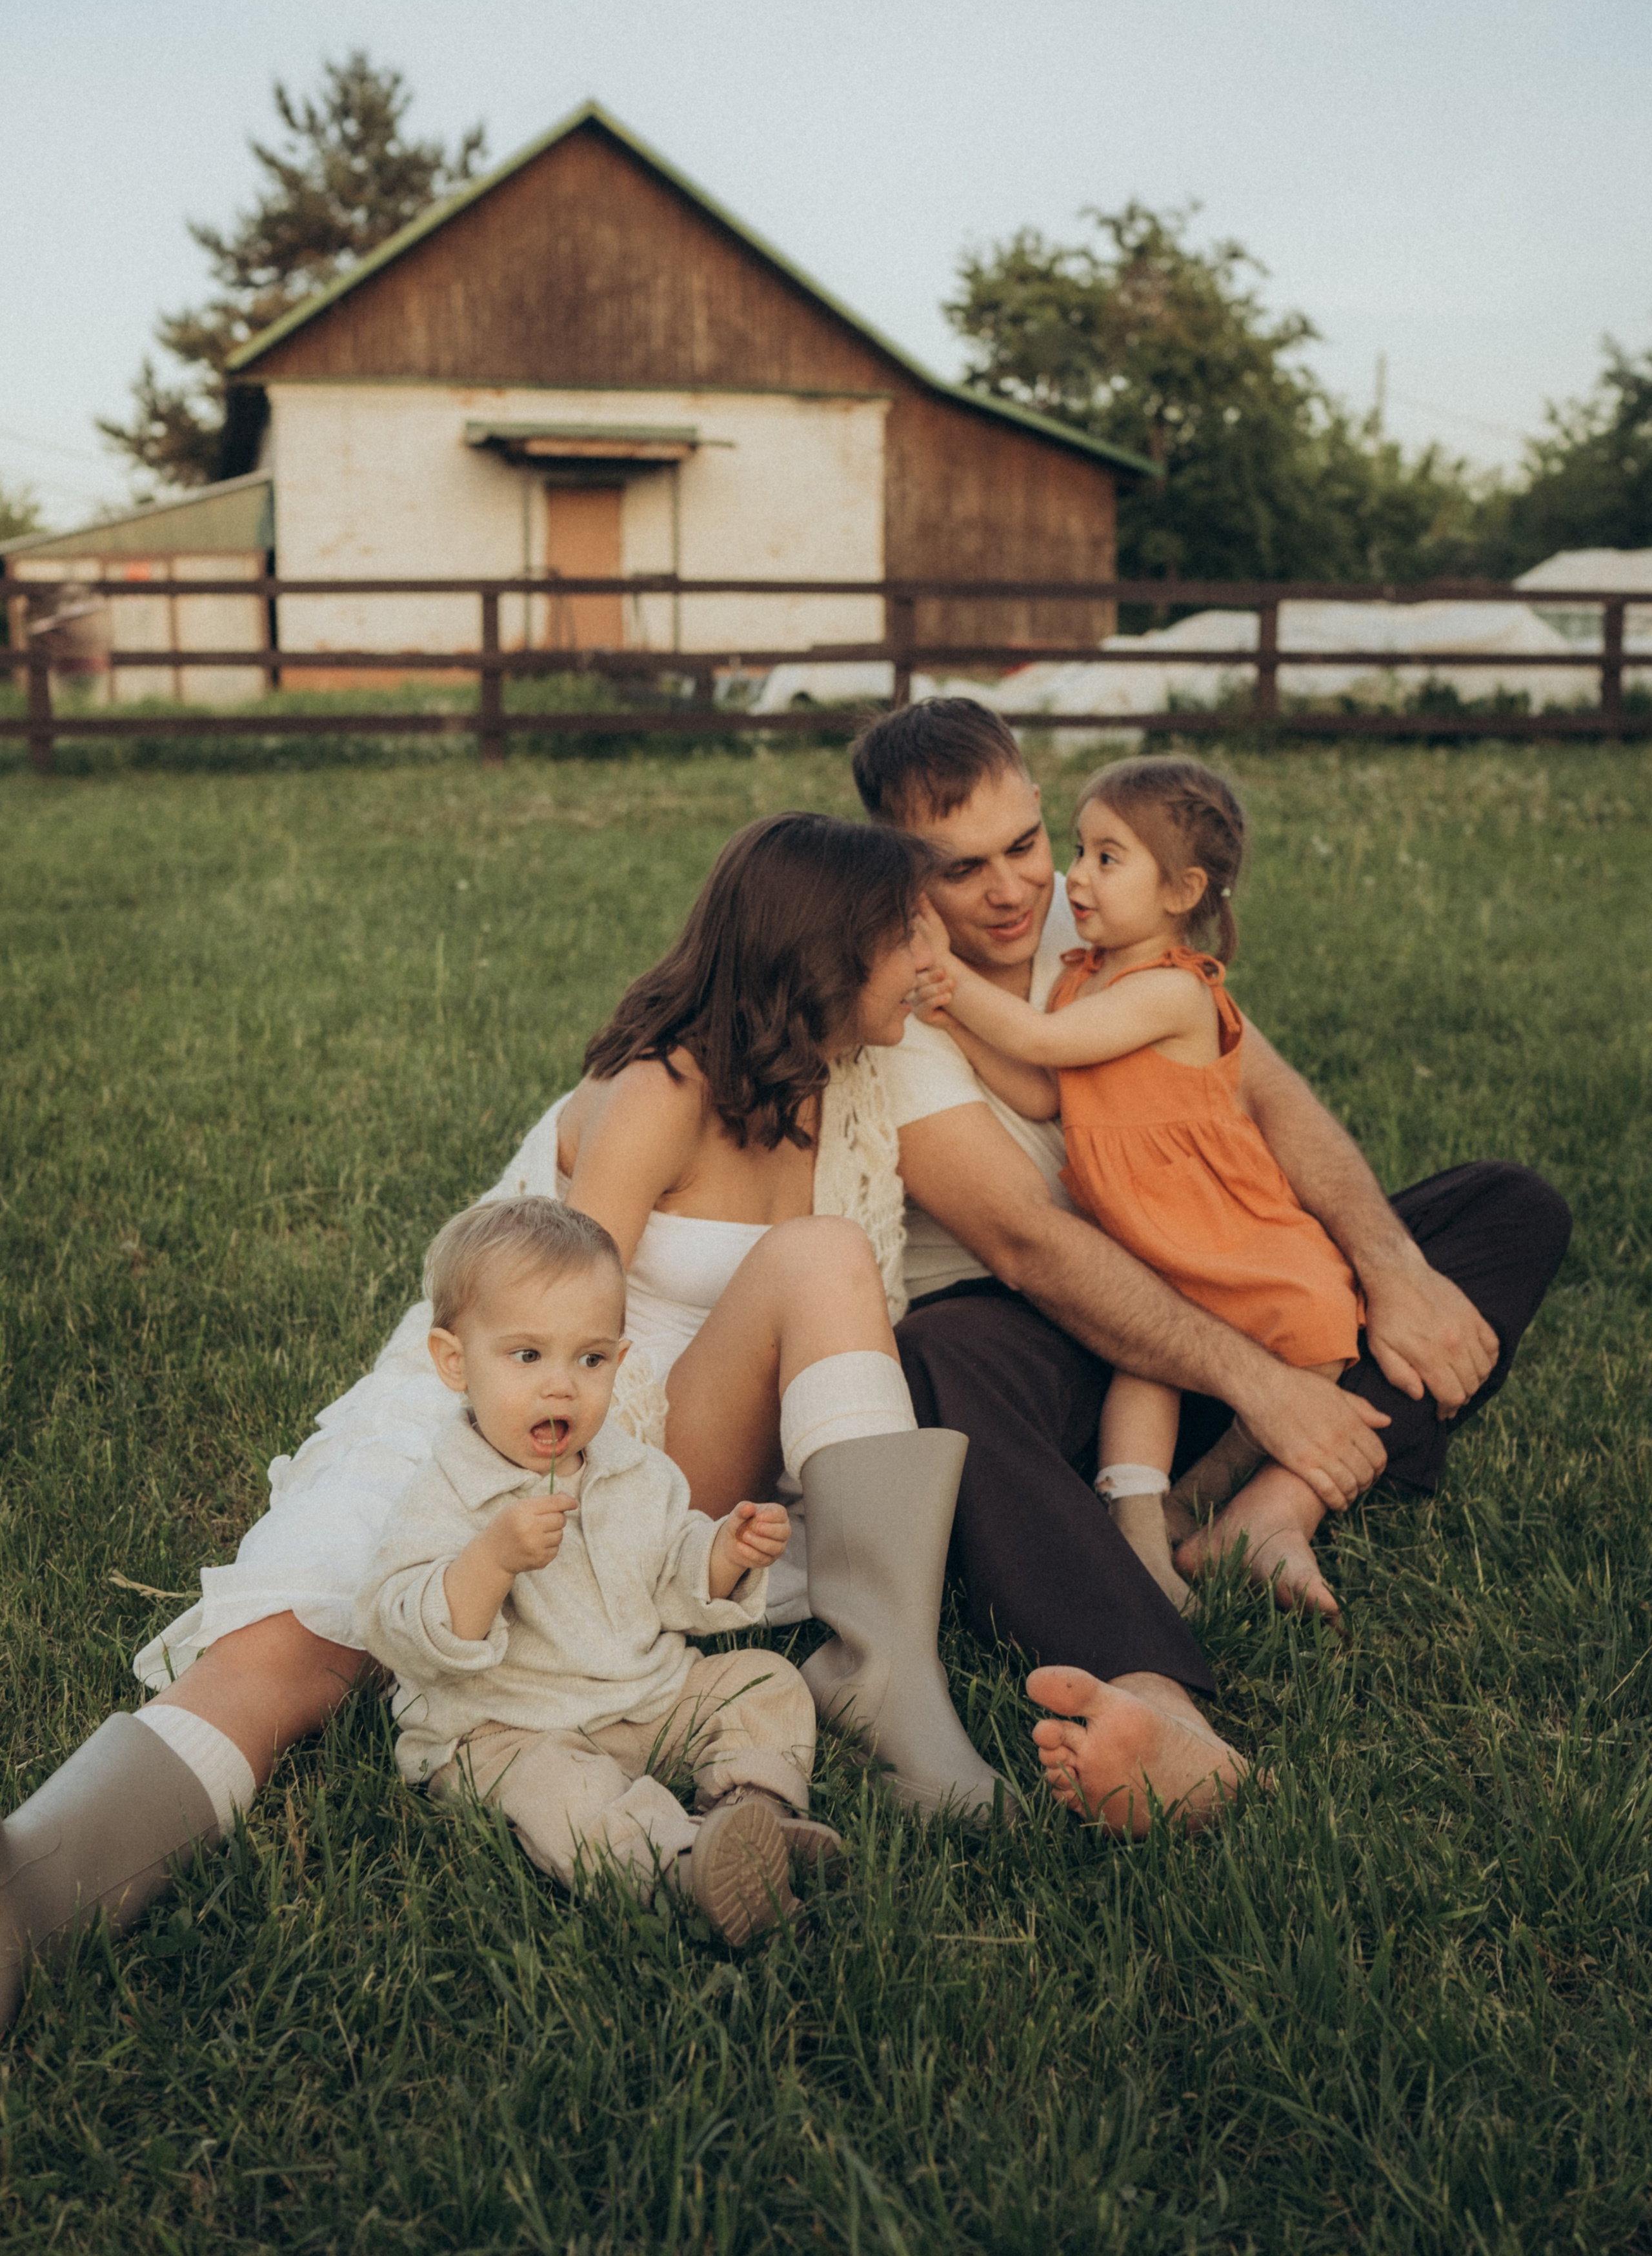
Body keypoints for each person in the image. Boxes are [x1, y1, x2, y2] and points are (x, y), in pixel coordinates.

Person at [0, 812, 1007, 2028]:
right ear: (828, 955)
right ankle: (35, 1883)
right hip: (543, 1404)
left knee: (824, 1251)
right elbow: (552, 1315)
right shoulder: (664, 1090)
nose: (936, 956)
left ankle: (885, 1674)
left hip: (674, 1454)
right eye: (909, 935)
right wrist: (550, 1493)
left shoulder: (841, 1097)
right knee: (312, 1630)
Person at [854, 700, 1571, 1828]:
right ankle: (1154, 1694)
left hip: (1206, 1285)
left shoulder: (1100, 911)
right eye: (961, 870)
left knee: (1504, 1209)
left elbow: (1260, 1086)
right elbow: (1032, 1247)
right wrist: (1258, 1380)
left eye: (1026, 848)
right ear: (900, 874)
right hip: (1045, 1333)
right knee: (938, 1361)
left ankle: (1274, 1508)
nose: (1012, 891)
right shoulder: (901, 996)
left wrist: (1386, 1264)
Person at [916, 754, 1362, 1622]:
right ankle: (1141, 1529)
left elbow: (1044, 1049)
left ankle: (1214, 1499)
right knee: (1149, 1355)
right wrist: (954, 1031)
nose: (1075, 877)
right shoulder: (1087, 973)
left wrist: (947, 978)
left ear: (1182, 891)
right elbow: (1048, 1092)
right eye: (1079, 849)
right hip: (1150, 1230)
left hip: (1218, 1221)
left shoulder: (1168, 990)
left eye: (1108, 859)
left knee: (1320, 1329)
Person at [361, 1195, 831, 1947]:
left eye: (590, 1359)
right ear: (455, 1362)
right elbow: (399, 1625)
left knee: (763, 1683)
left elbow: (672, 1576)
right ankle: (674, 1868)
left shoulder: (635, 1472)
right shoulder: (447, 1494)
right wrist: (491, 1559)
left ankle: (751, 1813)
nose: (562, 1386)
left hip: (638, 1701)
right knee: (565, 1790)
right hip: (502, 1726)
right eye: (526, 1356)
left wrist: (719, 1555)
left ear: (617, 1358)